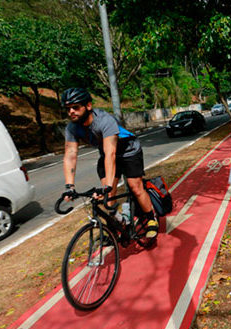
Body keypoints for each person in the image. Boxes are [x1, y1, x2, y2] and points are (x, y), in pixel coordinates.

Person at [60, 87, 158, 239]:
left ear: (88, 106)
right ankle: (119, 223)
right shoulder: (72, 127)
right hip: (106, 153)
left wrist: (108, 186)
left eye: (75, 107)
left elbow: (110, 154)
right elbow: (70, 155)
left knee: (135, 187)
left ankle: (151, 218)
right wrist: (69, 186)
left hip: (128, 151)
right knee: (108, 196)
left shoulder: (104, 121)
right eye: (68, 109)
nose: (71, 111)